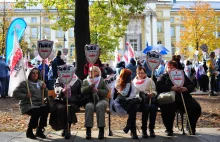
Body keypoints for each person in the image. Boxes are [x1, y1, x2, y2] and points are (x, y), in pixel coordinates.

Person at [156, 61, 201, 136]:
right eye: (168, 67)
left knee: (195, 107)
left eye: (172, 67)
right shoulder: (163, 76)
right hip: (170, 99)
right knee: (167, 109)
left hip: (184, 97)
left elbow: (191, 85)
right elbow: (159, 87)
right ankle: (169, 129)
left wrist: (185, 88)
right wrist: (171, 88)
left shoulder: (182, 75)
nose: (170, 69)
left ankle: (190, 127)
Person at [13, 68, 49, 139]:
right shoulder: (24, 83)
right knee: (36, 111)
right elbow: (15, 93)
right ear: (29, 74)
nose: (35, 75)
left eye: (36, 73)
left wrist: (44, 88)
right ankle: (30, 130)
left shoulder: (41, 82)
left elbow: (45, 95)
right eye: (33, 73)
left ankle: (40, 129)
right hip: (28, 104)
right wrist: (25, 96)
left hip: (39, 103)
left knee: (45, 109)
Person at [49, 75, 82, 139]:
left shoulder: (77, 80)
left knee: (68, 109)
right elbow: (56, 87)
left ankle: (67, 129)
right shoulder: (60, 79)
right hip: (61, 101)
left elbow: (80, 93)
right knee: (61, 108)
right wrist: (62, 90)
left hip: (73, 102)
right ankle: (65, 128)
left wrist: (74, 98)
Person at [81, 66, 109, 140]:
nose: (91, 72)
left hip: (101, 99)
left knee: (99, 106)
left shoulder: (101, 80)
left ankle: (101, 129)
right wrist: (90, 87)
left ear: (97, 72)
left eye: (93, 71)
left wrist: (98, 91)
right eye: (90, 71)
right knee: (89, 107)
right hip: (90, 100)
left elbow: (106, 91)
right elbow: (82, 91)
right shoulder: (85, 81)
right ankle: (88, 130)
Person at [113, 68, 140, 139]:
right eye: (128, 75)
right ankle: (132, 130)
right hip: (122, 103)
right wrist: (127, 84)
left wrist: (129, 83)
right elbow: (124, 94)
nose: (130, 77)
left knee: (134, 108)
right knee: (134, 106)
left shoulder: (131, 82)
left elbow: (134, 93)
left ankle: (129, 126)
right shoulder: (118, 82)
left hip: (130, 102)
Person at [133, 67, 157, 138]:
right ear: (136, 73)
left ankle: (151, 129)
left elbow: (154, 90)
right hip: (139, 101)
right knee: (146, 108)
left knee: (153, 108)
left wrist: (152, 94)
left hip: (149, 99)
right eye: (139, 73)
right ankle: (144, 129)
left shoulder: (149, 80)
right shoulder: (133, 82)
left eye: (142, 73)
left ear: (145, 73)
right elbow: (133, 93)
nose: (140, 74)